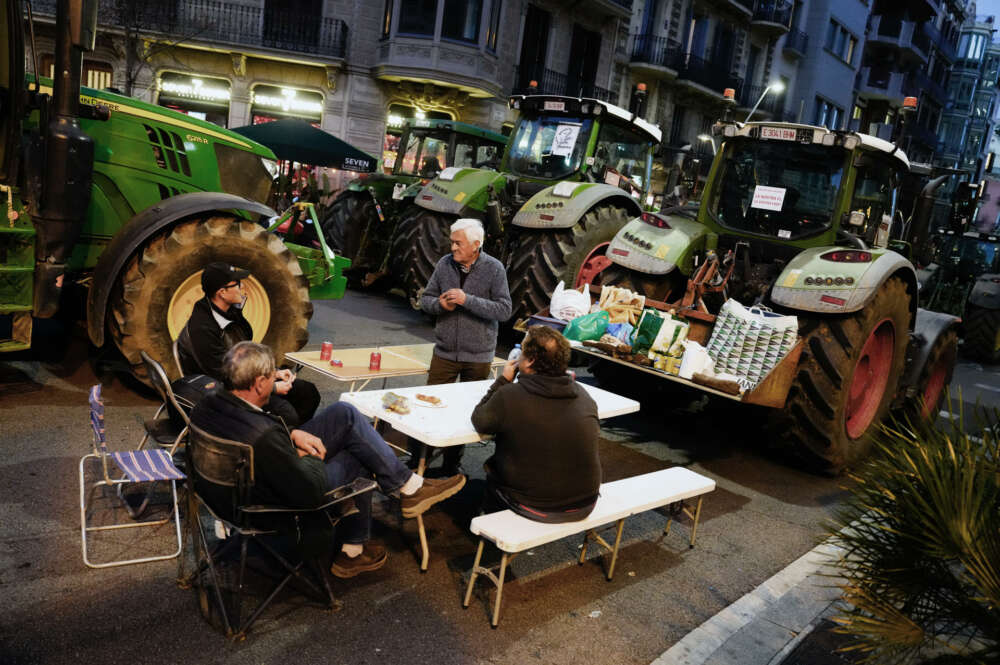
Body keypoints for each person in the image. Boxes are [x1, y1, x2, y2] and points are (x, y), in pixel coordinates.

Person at [190, 341, 467, 578]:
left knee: (344, 413)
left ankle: (407, 485)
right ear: (260, 383)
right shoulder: (262, 435)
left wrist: (293, 434)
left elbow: (260, 431)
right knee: (359, 453)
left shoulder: (208, 403)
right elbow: (307, 492)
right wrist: (302, 454)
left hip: (226, 493)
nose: (275, 378)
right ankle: (354, 549)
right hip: (264, 504)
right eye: (271, 375)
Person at [471, 326, 601, 523]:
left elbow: (480, 420)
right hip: (585, 503)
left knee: (493, 475)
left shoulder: (511, 396)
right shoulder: (582, 394)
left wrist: (503, 381)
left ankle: (489, 533)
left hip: (537, 505)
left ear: (530, 360)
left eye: (522, 351)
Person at [418, 218, 511, 474]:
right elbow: (425, 300)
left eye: (458, 243)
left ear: (476, 245)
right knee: (428, 407)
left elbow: (504, 310)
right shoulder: (443, 264)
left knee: (466, 414)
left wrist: (466, 300)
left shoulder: (494, 269)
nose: (453, 247)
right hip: (445, 353)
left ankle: (451, 467)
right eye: (452, 241)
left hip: (478, 357)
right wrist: (440, 305)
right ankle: (418, 462)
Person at [176, 261, 319, 427]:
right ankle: (270, 443)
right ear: (222, 292)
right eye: (236, 284)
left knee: (308, 392)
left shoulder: (229, 312)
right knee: (286, 413)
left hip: (243, 377)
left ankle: (288, 441)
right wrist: (271, 387)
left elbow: (245, 354)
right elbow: (224, 376)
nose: (242, 286)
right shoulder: (202, 328)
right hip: (221, 391)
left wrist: (273, 373)